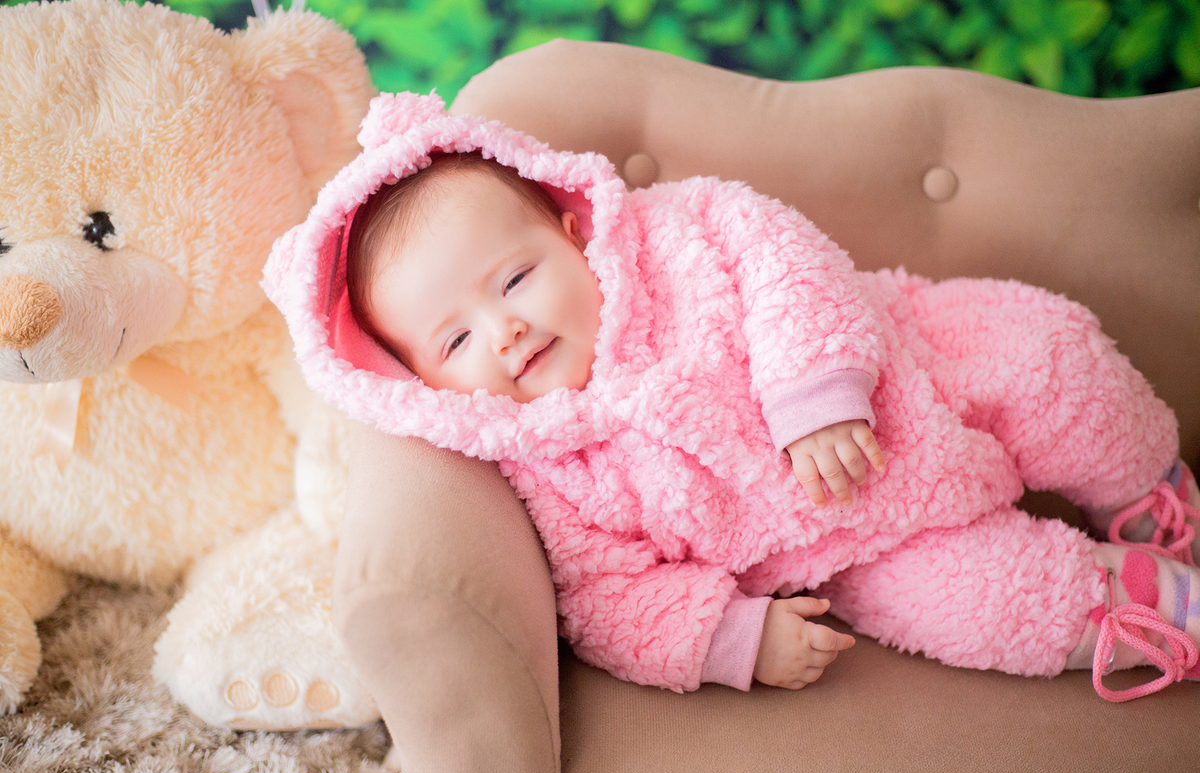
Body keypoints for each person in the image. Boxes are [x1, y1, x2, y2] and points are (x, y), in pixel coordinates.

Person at [265, 92, 1200, 701]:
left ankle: (1144, 494)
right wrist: (727, 637)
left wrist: (818, 391)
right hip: (858, 547)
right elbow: (604, 597)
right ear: (423, 385)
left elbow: (782, 259)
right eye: (456, 340)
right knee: (990, 607)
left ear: (569, 227)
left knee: (1054, 359)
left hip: (916, 370)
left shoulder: (679, 238)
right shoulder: (546, 467)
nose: (502, 331)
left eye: (514, 280)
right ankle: (1146, 604)